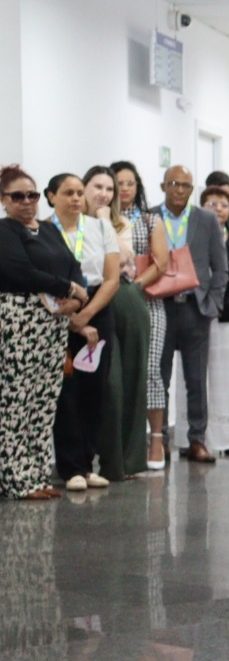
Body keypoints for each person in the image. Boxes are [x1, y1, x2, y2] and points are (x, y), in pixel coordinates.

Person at [0, 166, 89, 500]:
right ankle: (16, 481)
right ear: (3, 200)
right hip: (18, 321)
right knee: (16, 403)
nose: (26, 202)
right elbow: (20, 271)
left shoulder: (49, 230)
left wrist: (77, 298)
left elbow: (72, 264)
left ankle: (37, 476)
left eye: (32, 195)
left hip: (52, 324)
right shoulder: (6, 230)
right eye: (17, 197)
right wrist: (69, 287)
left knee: (44, 400)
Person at [44, 173, 120, 491]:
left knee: (94, 391)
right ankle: (70, 467)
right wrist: (72, 314)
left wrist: (87, 313)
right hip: (57, 312)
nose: (76, 198)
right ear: (51, 196)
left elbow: (112, 277)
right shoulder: (44, 231)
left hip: (97, 311)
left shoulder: (100, 227)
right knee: (66, 393)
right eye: (68, 193)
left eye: (79, 193)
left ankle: (89, 465)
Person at [154, 166, 226, 464]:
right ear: (163, 186)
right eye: (173, 184)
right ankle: (160, 441)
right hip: (160, 307)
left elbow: (220, 266)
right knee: (159, 377)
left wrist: (213, 304)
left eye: (185, 185)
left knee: (196, 379)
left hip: (195, 308)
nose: (179, 190)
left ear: (192, 188)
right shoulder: (149, 216)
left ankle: (197, 440)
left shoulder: (206, 219)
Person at [83, 166, 150, 481]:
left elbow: (123, 257)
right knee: (111, 383)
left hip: (126, 297)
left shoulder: (121, 223)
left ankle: (128, 462)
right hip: (91, 299)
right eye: (98, 187)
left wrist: (101, 221)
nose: (104, 194)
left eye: (109, 189)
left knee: (134, 379)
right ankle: (106, 461)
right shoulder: (72, 223)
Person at [109, 162, 170, 471]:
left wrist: (134, 287)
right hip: (109, 300)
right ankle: (118, 442)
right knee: (116, 373)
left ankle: (156, 439)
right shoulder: (102, 219)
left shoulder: (150, 220)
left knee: (148, 370)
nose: (124, 188)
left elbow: (161, 261)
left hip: (146, 302)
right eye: (118, 182)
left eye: (130, 183)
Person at [195, 185, 229, 455]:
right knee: (195, 375)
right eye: (211, 204)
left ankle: (226, 437)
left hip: (227, 315)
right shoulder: (193, 236)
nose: (217, 210)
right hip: (197, 312)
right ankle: (193, 436)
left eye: (223, 205)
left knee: (225, 375)